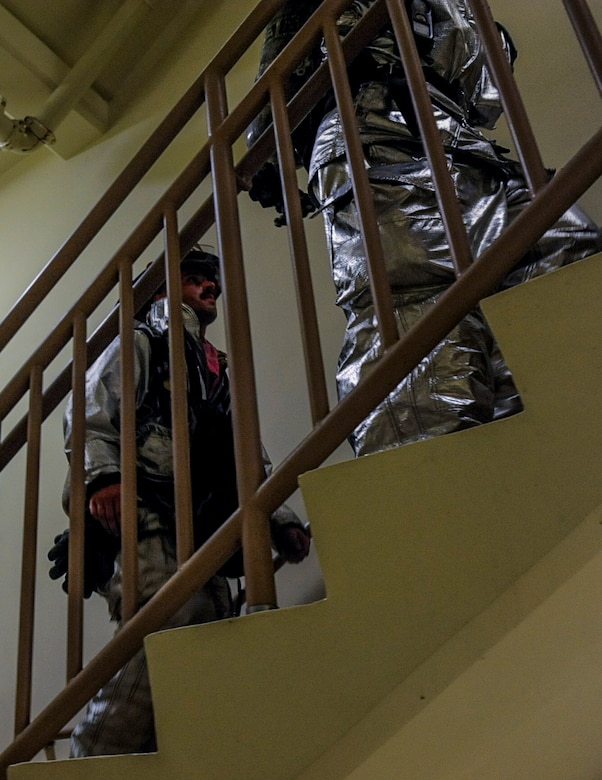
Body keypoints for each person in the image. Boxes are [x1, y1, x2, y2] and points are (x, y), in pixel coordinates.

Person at [247, 0, 602, 456]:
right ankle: (425, 463)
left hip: (456, 137)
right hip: (376, 126)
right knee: (418, 295)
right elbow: (273, 79)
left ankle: (532, 432)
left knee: (560, 247)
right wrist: (269, 163)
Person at [52, 248, 311, 756]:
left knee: (209, 625)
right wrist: (102, 478)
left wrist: (277, 517)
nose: (209, 287)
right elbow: (91, 411)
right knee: (169, 626)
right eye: (193, 279)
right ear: (160, 291)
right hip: (144, 510)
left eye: (212, 282)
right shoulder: (139, 339)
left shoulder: (212, 369)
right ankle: (93, 758)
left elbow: (242, 451)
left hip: (202, 521)